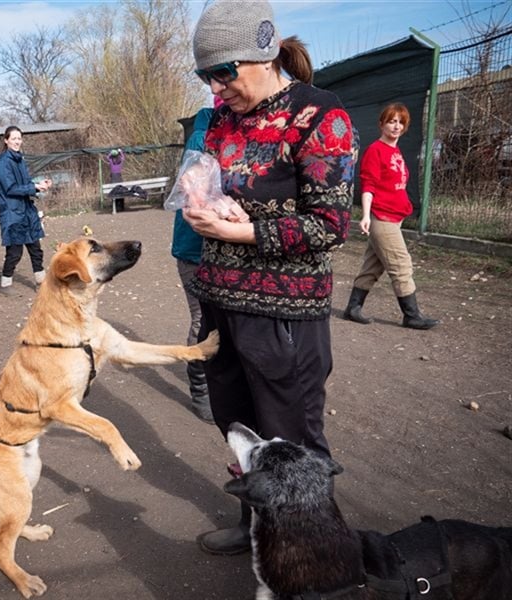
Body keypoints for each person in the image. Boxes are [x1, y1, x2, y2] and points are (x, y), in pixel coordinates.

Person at [184, 0, 358, 556]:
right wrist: (204, 207)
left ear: (260, 54)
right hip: (221, 306)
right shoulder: (222, 123)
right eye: (205, 75)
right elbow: (218, 193)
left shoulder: (318, 115)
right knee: (238, 428)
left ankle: (313, 555)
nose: (215, 86)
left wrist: (243, 231)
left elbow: (329, 224)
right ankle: (258, 524)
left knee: (292, 443)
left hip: (283, 317)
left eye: (223, 72)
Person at [343, 103, 439, 330]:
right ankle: (412, 315)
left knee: (372, 267)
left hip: (395, 219)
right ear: (382, 124)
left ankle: (353, 308)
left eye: (401, 122)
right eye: (392, 121)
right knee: (401, 265)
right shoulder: (375, 150)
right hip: (382, 219)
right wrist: (365, 215)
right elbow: (368, 185)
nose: (396, 126)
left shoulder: (395, 151)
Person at [172, 106, 216, 423]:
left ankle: (217, 380)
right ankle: (200, 389)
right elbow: (193, 192)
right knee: (202, 317)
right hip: (194, 250)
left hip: (222, 248)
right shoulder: (201, 139)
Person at [0, 126, 52, 296]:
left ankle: (41, 282)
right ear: (6, 140)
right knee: (14, 252)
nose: (18, 141)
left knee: (36, 248)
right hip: (12, 213)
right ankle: (5, 284)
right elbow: (10, 188)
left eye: (19, 138)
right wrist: (33, 187)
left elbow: (26, 182)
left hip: (27, 210)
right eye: (14, 139)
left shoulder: (20, 160)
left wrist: (39, 186)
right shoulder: (3, 163)